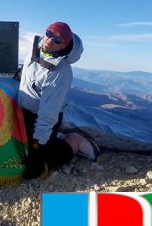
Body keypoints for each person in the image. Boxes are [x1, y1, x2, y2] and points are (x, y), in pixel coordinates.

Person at [18, 21, 100, 179]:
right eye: (49, 33)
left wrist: (38, 143)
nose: (50, 40)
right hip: (23, 110)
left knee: (33, 170)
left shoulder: (60, 73)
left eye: (57, 40)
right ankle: (52, 135)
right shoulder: (37, 50)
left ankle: (73, 142)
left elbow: (48, 114)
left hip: (40, 117)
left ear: (64, 46)